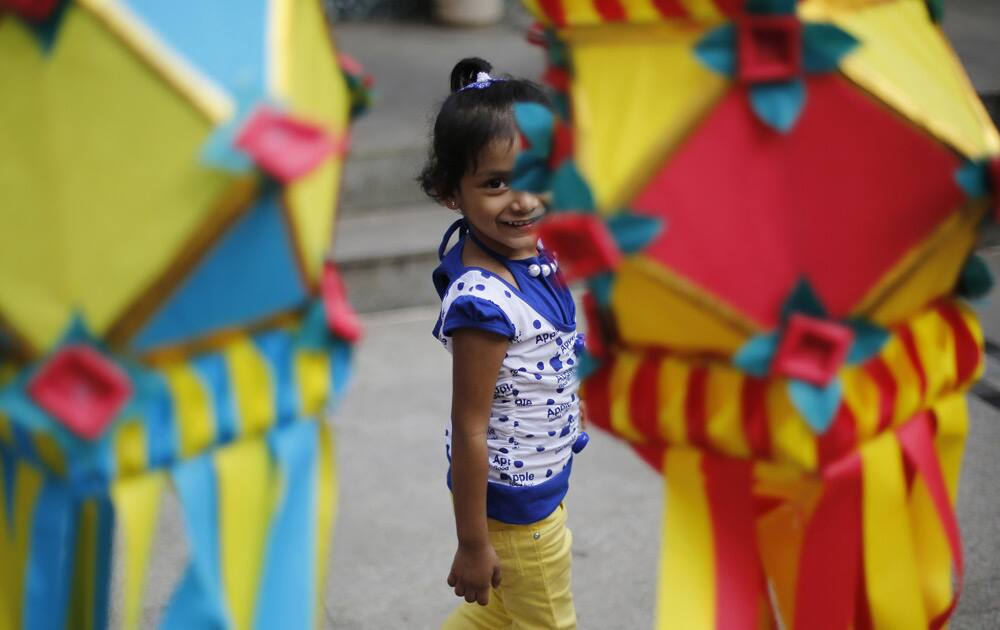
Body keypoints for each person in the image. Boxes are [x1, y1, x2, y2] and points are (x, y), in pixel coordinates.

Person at [419, 57, 587, 629]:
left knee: (498, 617)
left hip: (529, 491)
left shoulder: (523, 249)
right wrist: (472, 544)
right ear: (450, 193)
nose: (522, 200)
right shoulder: (482, 306)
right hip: (516, 510)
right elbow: (470, 425)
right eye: (495, 183)